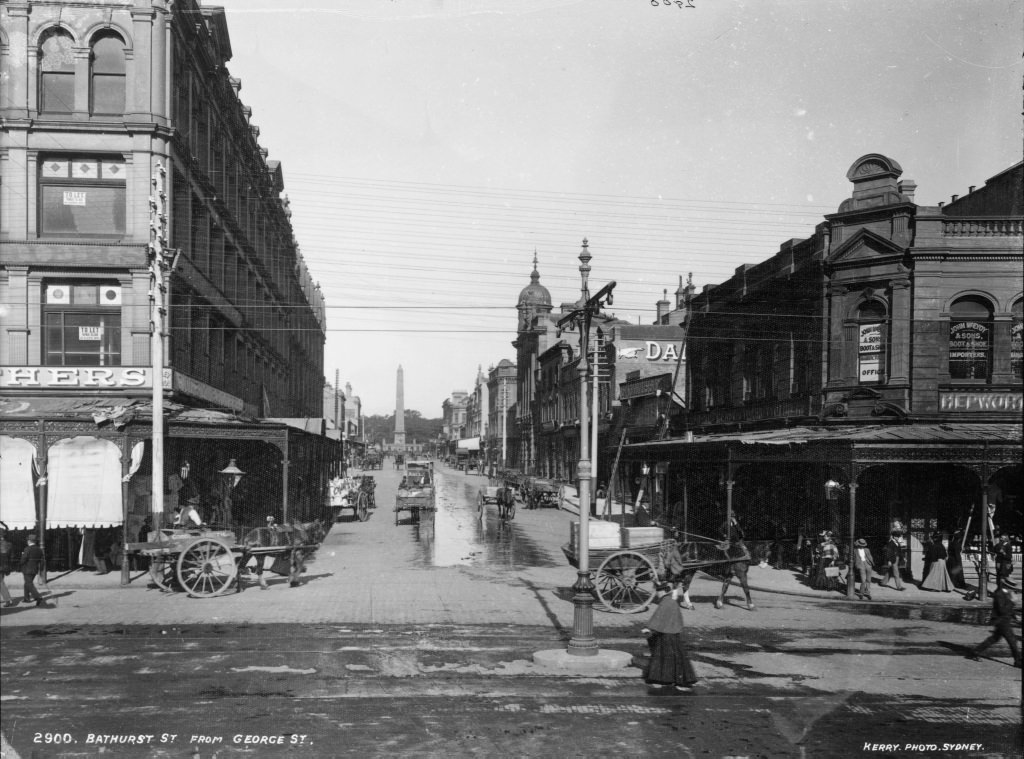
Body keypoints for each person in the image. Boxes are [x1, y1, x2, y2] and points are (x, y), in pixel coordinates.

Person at [641, 584, 699, 693]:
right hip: (674, 633)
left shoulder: (665, 602)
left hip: (665, 634)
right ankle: (680, 681)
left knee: (662, 657)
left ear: (662, 591)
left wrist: (648, 628)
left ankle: (662, 680)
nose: (657, 594)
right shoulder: (671, 601)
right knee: (677, 658)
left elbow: (658, 617)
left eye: (658, 591)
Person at [967, 581, 1021, 668]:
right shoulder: (999, 594)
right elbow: (1002, 610)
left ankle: (975, 652)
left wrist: (1015, 616)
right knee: (1012, 641)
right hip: (1001, 621)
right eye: (1011, 587)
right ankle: (1018, 661)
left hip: (1004, 621)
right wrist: (1012, 602)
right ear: (1006, 586)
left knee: (994, 639)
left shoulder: (1007, 593)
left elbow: (1008, 609)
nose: (1013, 590)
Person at [20, 534, 52, 609]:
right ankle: (26, 598)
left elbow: (23, 560)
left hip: (27, 569)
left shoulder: (27, 549)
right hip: (35, 569)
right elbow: (42, 561)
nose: (27, 541)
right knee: (27, 583)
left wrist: (21, 558)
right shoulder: (39, 549)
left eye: (27, 540)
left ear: (29, 541)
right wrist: (40, 569)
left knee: (29, 583)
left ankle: (38, 597)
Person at [0, 522, 15, 607]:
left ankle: (8, 600)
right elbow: (12, 557)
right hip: (5, 567)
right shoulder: (9, 544)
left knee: (0, 583)